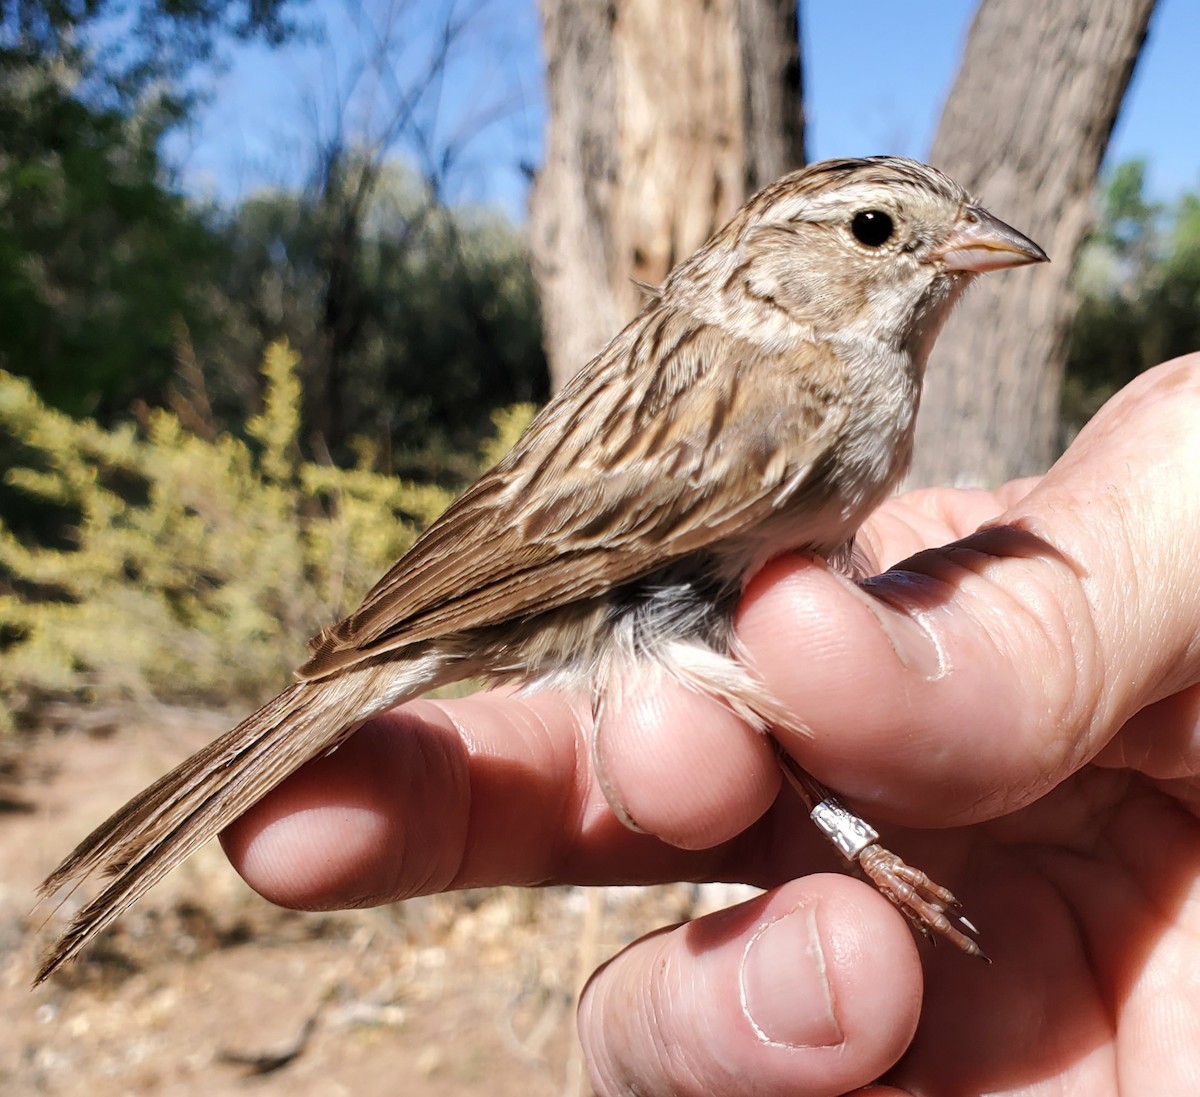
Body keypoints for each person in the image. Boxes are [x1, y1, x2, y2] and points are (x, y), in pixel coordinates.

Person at [221, 352, 1200, 1095]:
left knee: (726, 729)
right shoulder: (788, 392)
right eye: (873, 230)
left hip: (697, 661)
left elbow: (769, 687)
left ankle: (862, 838)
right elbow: (546, 545)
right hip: (561, 602)